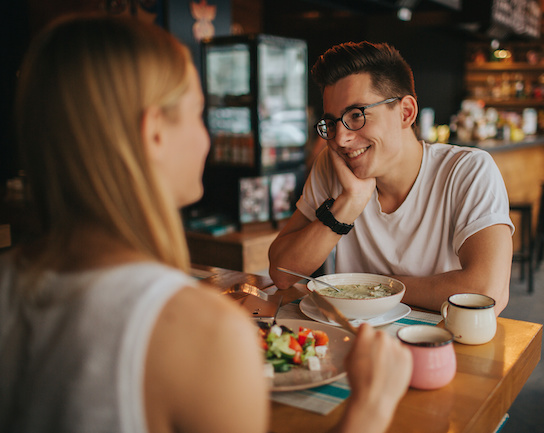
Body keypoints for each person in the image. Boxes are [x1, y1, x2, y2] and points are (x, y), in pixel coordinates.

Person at [0, 15, 412, 433]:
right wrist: (371, 407)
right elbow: (282, 269)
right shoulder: (205, 334)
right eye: (200, 115)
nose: (209, 139)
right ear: (154, 134)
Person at [269, 41, 514, 315]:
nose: (341, 138)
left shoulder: (467, 171)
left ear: (406, 112)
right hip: (352, 341)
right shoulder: (333, 165)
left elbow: (487, 292)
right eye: (332, 123)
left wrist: (372, 291)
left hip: (439, 345)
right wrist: (347, 206)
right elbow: (282, 273)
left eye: (356, 115)